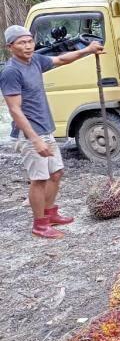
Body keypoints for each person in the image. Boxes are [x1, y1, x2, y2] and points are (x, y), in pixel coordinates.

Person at [1, 25, 104, 239]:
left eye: (29, 41)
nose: (28, 45)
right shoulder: (11, 71)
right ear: (10, 47)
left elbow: (62, 60)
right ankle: (40, 225)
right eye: (21, 42)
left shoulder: (35, 60)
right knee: (39, 179)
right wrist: (35, 139)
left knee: (56, 173)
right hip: (30, 134)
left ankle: (50, 213)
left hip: (44, 129)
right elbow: (15, 109)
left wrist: (88, 50)